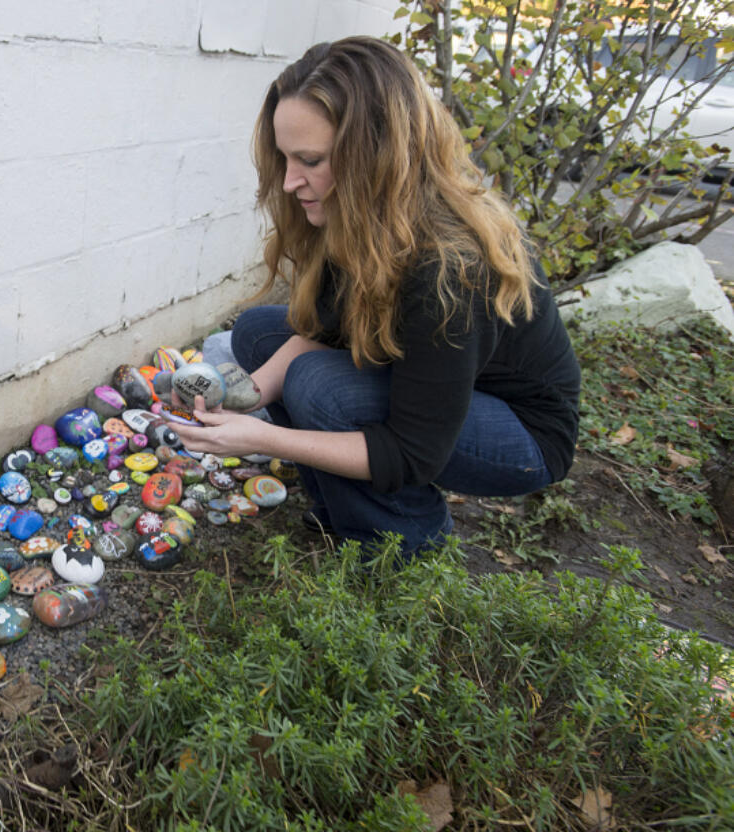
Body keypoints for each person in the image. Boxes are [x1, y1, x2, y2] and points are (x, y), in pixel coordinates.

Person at [173, 36, 581, 558]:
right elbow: (322, 330)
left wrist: (259, 436)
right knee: (259, 333)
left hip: (521, 432)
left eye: (311, 160)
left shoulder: (450, 266)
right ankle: (339, 513)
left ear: (377, 155)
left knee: (319, 386)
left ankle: (402, 550)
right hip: (435, 385)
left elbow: (413, 453)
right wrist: (242, 397)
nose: (292, 180)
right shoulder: (363, 215)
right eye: (285, 157)